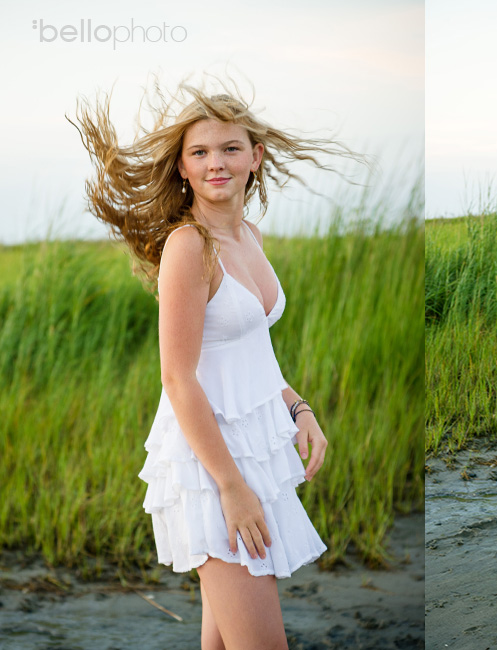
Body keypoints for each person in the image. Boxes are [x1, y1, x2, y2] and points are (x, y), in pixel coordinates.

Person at [69, 78, 359, 648]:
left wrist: (298, 407)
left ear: (255, 157)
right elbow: (177, 377)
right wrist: (231, 487)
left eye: (229, 149)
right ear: (181, 167)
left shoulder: (248, 235)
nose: (216, 163)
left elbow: (252, 359)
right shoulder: (188, 247)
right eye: (199, 152)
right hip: (211, 466)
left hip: (251, 448)